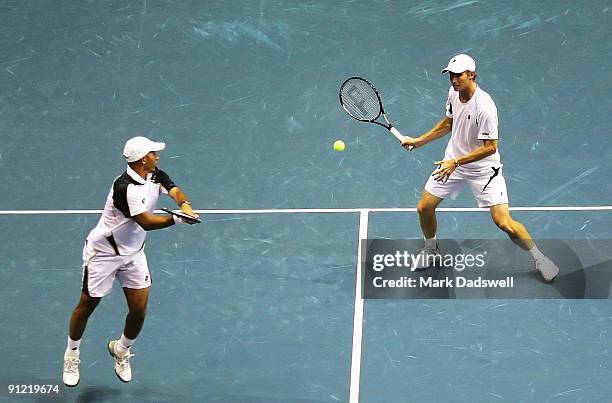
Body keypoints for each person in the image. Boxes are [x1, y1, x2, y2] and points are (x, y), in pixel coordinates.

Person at [400, 54, 559, 282]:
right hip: (453, 161)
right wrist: (419, 140)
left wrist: (455, 162)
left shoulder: (485, 106)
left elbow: (490, 147)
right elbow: (448, 123)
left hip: (483, 170)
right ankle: (431, 250)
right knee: (424, 207)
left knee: (503, 222)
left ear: (472, 75)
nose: (454, 80)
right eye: (451, 75)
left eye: (459, 75)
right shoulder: (453, 94)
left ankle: (540, 258)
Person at [62, 136, 200, 387]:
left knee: (139, 309)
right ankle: (71, 354)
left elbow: (174, 189)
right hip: (104, 254)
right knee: (87, 306)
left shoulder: (154, 174)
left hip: (134, 254)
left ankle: (121, 349)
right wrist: (179, 219)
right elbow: (146, 222)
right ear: (142, 159)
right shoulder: (124, 187)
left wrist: (185, 204)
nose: (157, 157)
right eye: (153, 153)